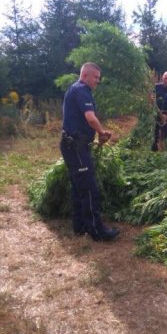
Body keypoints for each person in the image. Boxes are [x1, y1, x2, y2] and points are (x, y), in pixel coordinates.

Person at [60, 62, 120, 241]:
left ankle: (80, 226)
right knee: (88, 188)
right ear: (85, 75)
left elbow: (80, 122)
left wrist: (92, 137)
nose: (97, 81)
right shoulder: (81, 90)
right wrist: (101, 133)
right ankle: (97, 231)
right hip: (75, 147)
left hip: (74, 146)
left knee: (79, 187)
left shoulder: (77, 90)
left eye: (99, 78)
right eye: (95, 77)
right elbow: (90, 118)